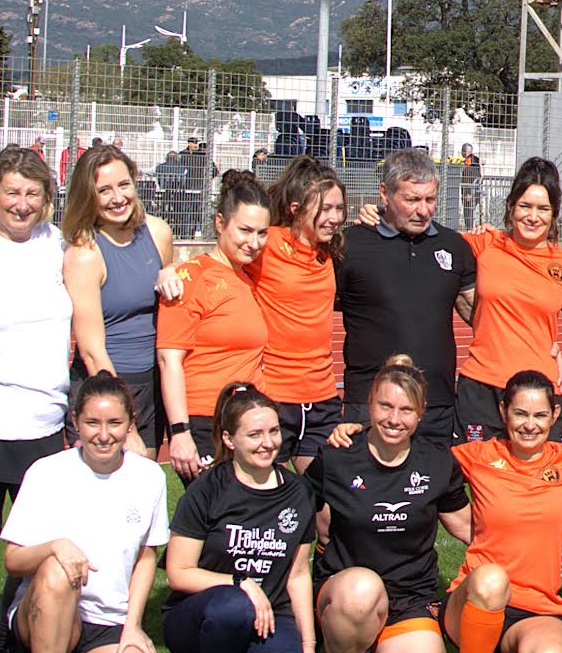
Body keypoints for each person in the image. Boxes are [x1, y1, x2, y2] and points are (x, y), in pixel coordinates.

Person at [0, 373, 172, 653]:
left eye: (115, 423)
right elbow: (12, 561)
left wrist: (133, 625)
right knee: (57, 569)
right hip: (47, 612)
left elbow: (146, 558)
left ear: (131, 423)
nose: (104, 435)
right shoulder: (47, 472)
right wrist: (53, 547)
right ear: (75, 420)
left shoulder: (149, 476)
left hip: (108, 621)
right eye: (93, 423)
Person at [307, 359, 472, 653]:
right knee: (362, 589)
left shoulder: (437, 462)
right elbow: (296, 518)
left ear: (420, 413)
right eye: (385, 406)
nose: (394, 419)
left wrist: (533, 547)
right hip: (348, 593)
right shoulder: (337, 456)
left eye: (406, 410)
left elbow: (467, 526)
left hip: (410, 597)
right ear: (370, 404)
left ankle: (377, 652)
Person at [162, 384, 320, 653]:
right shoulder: (207, 490)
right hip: (202, 618)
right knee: (234, 605)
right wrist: (241, 582)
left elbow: (297, 576)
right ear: (229, 439)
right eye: (255, 434)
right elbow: (178, 572)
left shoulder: (299, 492)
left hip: (269, 616)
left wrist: (308, 645)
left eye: (273, 431)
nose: (268, 443)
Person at [445, 371, 562, 653]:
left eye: (540, 415)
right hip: (476, 598)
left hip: (536, 605)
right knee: (492, 579)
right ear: (503, 412)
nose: (529, 425)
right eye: (520, 413)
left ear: (555, 416)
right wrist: (356, 433)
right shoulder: (478, 455)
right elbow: (419, 464)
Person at [0, 148, 73, 583]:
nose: (22, 204)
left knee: (39, 545)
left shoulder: (56, 243)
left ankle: (19, 626)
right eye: (12, 192)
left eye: (32, 194)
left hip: (46, 421)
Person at [337, 149, 477, 443]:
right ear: (384, 194)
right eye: (412, 200)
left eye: (430, 199)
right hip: (370, 403)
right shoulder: (350, 245)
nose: (423, 210)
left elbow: (480, 315)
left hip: (435, 406)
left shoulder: (454, 246)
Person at [60, 144, 176, 450]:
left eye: (124, 185)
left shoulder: (158, 232)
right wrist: (124, 422)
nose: (118, 198)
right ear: (88, 195)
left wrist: (171, 271)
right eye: (104, 190)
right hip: (105, 385)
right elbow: (92, 351)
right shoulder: (84, 254)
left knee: (144, 474)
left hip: (151, 381)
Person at [158, 173, 272, 479]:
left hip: (247, 419)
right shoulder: (190, 279)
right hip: (205, 421)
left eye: (262, 233)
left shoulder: (249, 276)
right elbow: (169, 361)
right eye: (245, 230)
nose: (254, 243)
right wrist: (180, 432)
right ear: (220, 223)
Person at [462, 158, 562, 442]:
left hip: (539, 392)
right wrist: (379, 216)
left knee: (540, 472)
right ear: (511, 207)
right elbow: (429, 243)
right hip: (482, 388)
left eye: (543, 209)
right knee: (475, 469)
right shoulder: (484, 244)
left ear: (554, 213)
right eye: (525, 206)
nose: (533, 217)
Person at [252, 157, 348, 469]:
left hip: (322, 396)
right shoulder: (267, 243)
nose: (335, 218)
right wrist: (171, 272)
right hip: (274, 396)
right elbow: (221, 260)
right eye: (326, 209)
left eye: (339, 208)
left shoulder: (331, 250)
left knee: (327, 494)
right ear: (296, 209)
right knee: (272, 492)